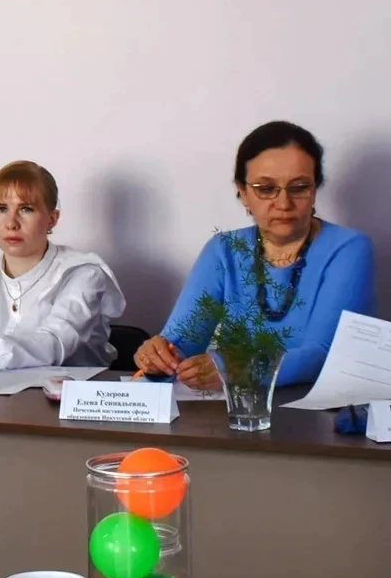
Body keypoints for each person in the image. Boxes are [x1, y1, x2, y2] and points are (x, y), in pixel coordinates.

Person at [134, 121, 376, 389]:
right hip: (235, 410)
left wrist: (236, 369)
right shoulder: (224, 249)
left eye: (299, 187)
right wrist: (159, 357)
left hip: (316, 411)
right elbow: (182, 343)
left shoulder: (348, 248)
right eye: (266, 188)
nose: (283, 203)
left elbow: (322, 356)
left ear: (315, 189)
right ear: (243, 192)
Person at [0, 160, 125, 370]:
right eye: (1, 209)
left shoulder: (82, 274)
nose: (11, 223)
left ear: (52, 219)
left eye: (26, 209)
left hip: (68, 390)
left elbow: (55, 343)